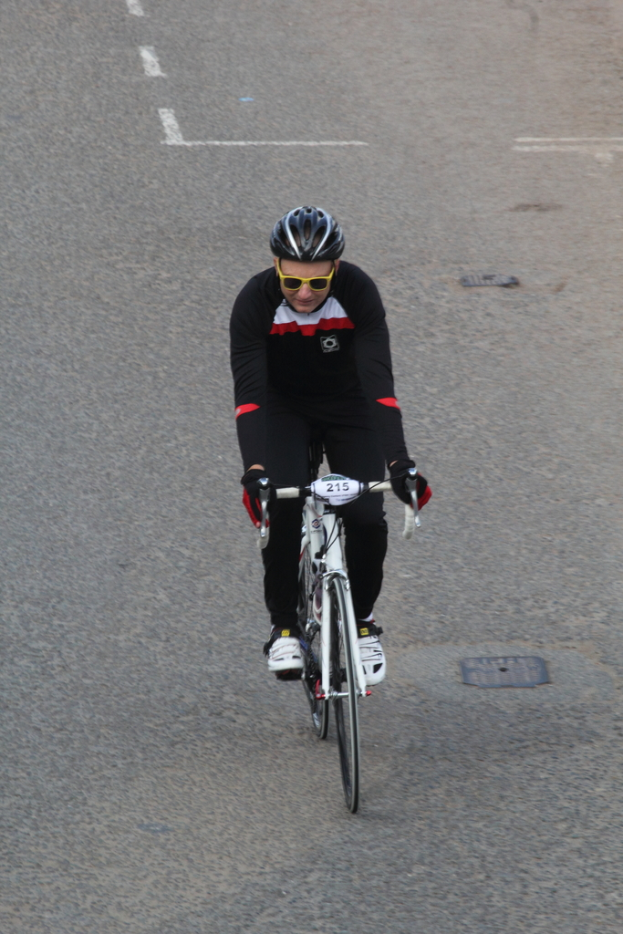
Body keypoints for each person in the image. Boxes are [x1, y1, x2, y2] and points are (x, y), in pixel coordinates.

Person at [230, 206, 431, 684]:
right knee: (282, 505)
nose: (304, 293)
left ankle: (362, 622)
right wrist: (255, 470)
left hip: (349, 406)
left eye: (317, 283)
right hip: (282, 409)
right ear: (276, 266)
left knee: (366, 517)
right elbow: (250, 399)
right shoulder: (254, 302)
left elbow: (380, 387)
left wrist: (400, 463)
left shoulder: (358, 292)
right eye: (291, 281)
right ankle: (284, 626)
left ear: (335, 269)